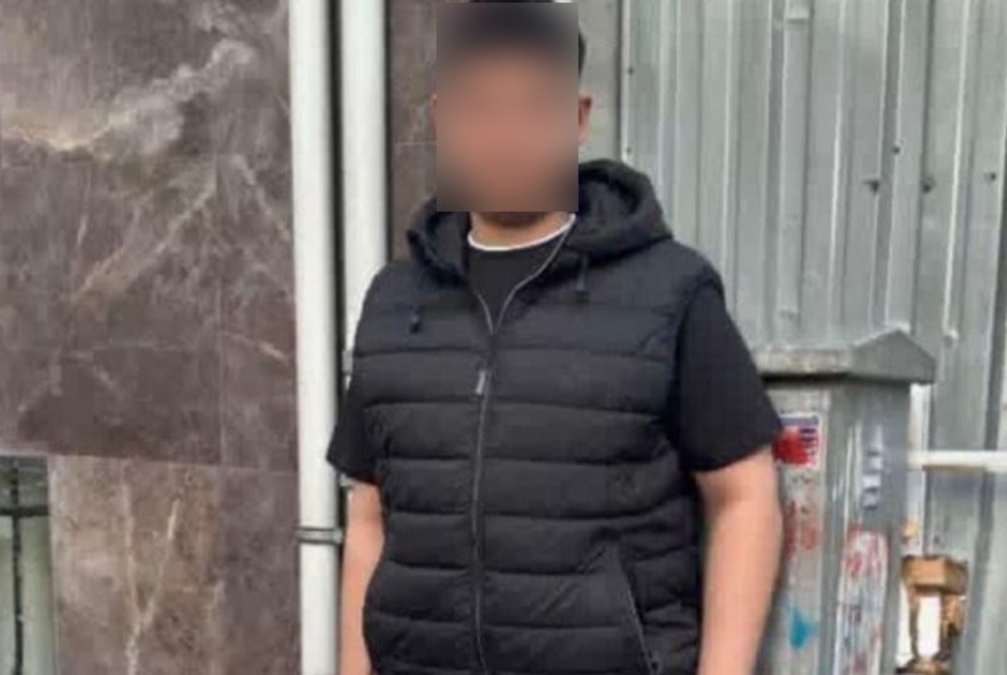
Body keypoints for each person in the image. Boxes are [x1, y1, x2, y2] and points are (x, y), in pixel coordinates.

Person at [328, 2, 783, 674]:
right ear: (442, 120)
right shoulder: (396, 302)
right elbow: (371, 513)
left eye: (532, 107)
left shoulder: (669, 291)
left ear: (577, 119)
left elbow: (744, 495)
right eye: (481, 108)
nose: (505, 135)